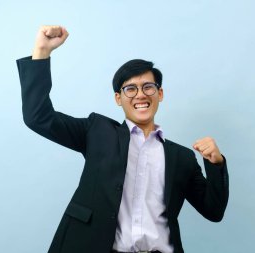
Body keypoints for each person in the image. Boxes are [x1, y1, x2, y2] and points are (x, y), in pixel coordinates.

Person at [16, 25, 229, 253]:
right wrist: (42, 51)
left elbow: (213, 211)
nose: (140, 94)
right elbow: (38, 117)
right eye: (130, 89)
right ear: (118, 98)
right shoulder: (97, 132)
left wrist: (216, 164)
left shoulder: (182, 157)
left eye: (148, 87)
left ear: (160, 94)